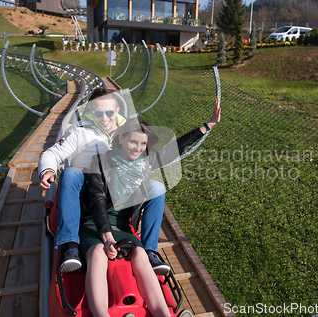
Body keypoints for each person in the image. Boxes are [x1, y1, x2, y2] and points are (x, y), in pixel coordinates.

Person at [82, 99, 220, 316]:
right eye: (133, 142)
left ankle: (162, 314)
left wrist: (207, 125)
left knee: (140, 255)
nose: (138, 149)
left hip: (124, 229)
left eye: (143, 144)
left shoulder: (142, 165)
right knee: (99, 252)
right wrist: (106, 236)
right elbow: (97, 200)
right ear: (121, 138)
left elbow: (174, 149)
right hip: (95, 225)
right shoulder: (100, 161)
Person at [39, 88, 169, 275]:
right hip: (86, 191)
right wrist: (48, 170)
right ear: (91, 112)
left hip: (116, 190)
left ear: (117, 111)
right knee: (70, 174)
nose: (104, 118)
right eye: (98, 113)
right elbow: (53, 153)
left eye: (109, 112)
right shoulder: (80, 132)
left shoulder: (128, 131)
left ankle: (150, 250)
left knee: (156, 187)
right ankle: (70, 245)